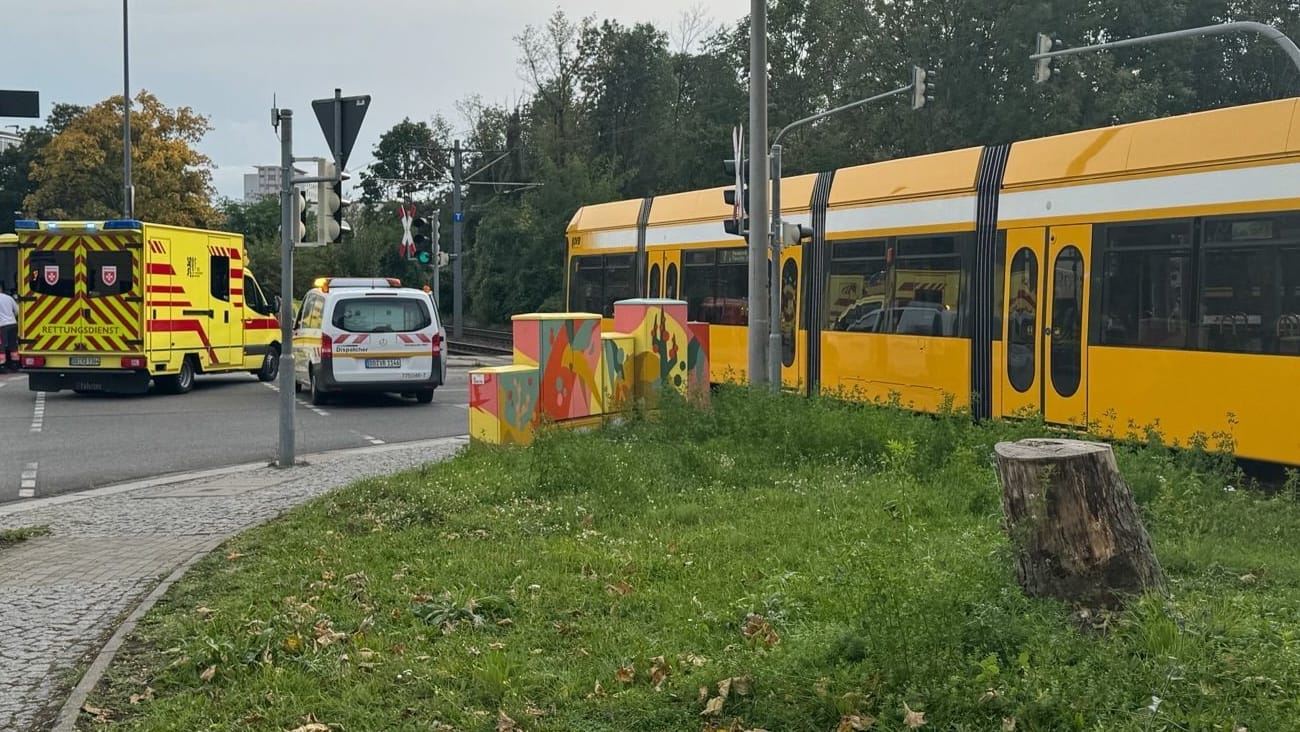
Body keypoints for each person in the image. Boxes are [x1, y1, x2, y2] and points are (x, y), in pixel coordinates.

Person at [0, 288, 18, 371]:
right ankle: (15, 363)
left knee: (1, 345)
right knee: (13, 344)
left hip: (2, 326)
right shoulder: (9, 298)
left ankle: (2, 365)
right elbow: (17, 310)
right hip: (12, 324)